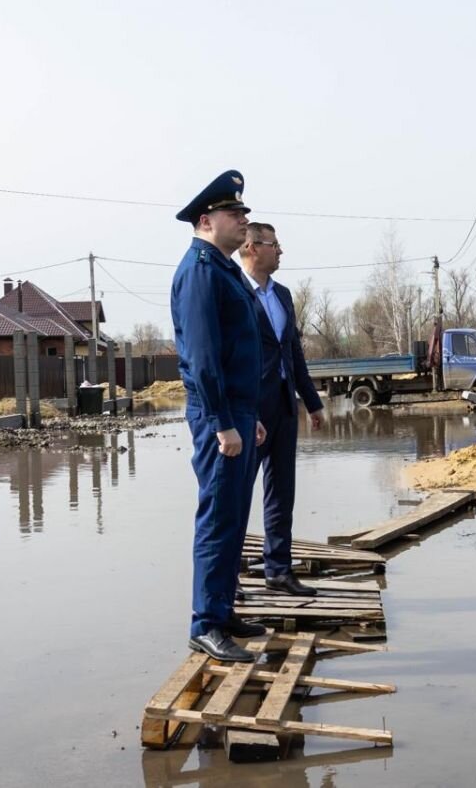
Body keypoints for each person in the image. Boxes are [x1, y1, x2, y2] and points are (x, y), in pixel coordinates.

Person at [170, 170, 269, 663]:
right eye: (235, 214)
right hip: (218, 417)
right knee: (217, 517)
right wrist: (223, 422)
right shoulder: (200, 272)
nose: (243, 221)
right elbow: (205, 358)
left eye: (244, 214)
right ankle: (205, 623)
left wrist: (245, 416)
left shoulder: (224, 269)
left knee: (233, 518)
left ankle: (223, 610)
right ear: (206, 220)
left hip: (235, 412)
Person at [237, 222, 325, 597]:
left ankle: (279, 570)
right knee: (237, 494)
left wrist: (312, 401)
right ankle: (228, 576)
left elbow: (293, 353)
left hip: (284, 404)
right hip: (248, 409)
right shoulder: (234, 291)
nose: (281, 251)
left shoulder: (284, 295)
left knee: (281, 492)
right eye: (275, 244)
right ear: (252, 247)